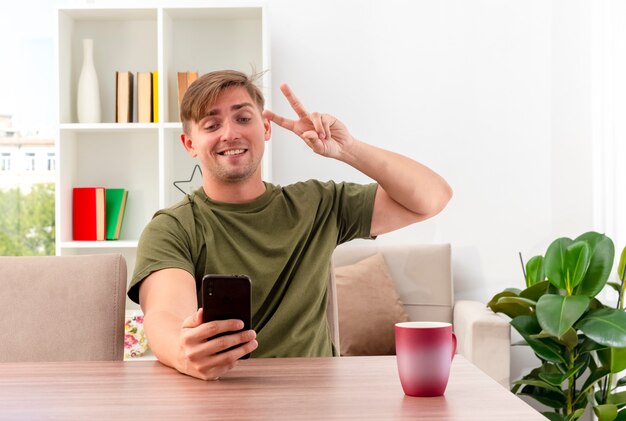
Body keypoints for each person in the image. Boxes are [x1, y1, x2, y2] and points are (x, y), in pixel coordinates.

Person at [127, 70, 452, 381]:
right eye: (212, 125)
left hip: (315, 396)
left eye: (243, 118)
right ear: (189, 144)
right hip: (220, 395)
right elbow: (164, 316)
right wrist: (184, 350)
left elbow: (432, 196)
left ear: (266, 128)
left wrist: (349, 149)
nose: (230, 133)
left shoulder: (318, 203)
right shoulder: (172, 227)